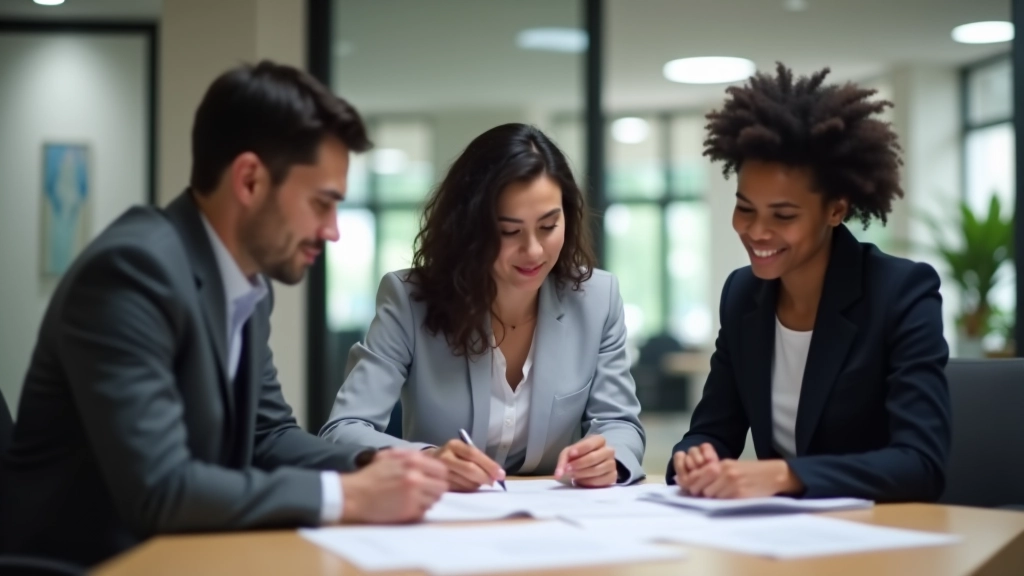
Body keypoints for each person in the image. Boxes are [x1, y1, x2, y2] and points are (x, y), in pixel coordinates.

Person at [0, 61, 448, 567]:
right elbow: (162, 489)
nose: (333, 231)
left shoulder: (245, 285)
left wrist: (392, 463)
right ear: (251, 180)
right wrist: (349, 497)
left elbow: (268, 436)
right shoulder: (132, 272)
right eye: (322, 203)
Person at [666, 64, 951, 503]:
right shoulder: (742, 295)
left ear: (835, 211)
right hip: (775, 538)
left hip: (878, 536)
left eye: (783, 216)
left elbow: (919, 464)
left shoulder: (901, 293)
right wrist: (692, 458)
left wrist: (785, 476)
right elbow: (711, 431)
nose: (757, 232)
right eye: (746, 208)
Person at [320, 123, 646, 491]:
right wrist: (427, 459)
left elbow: (620, 423)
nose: (534, 250)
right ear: (470, 227)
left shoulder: (598, 298)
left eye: (548, 225)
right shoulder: (409, 300)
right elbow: (344, 431)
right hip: (442, 519)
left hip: (557, 520)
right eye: (509, 231)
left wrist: (610, 459)